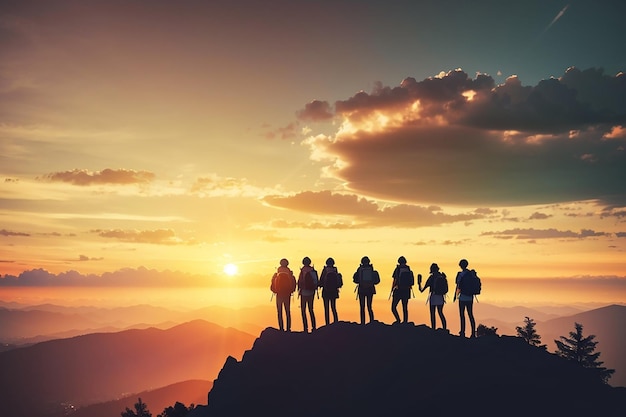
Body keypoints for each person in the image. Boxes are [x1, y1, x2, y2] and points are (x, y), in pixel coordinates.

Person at [418, 263, 448, 331]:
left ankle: (433, 329)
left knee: (432, 313)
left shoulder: (431, 277)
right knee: (440, 313)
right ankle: (444, 329)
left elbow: (422, 290)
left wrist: (419, 283)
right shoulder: (442, 276)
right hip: (441, 297)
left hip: (433, 296)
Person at [270, 258, 296, 332]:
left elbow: (272, 286)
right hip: (287, 294)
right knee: (287, 311)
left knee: (279, 311)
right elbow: (293, 285)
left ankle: (281, 328)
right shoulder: (290, 273)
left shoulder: (277, 274)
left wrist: (276, 290)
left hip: (279, 294)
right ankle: (288, 328)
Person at [353, 256, 380, 325]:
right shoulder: (371, 269)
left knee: (362, 307)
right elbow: (377, 281)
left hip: (361, 289)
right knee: (369, 306)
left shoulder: (360, 269)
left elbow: (355, 279)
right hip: (370, 290)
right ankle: (371, 321)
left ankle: (362, 323)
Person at [454, 259, 476, 338]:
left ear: (460, 265)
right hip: (470, 297)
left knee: (462, 315)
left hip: (462, 297)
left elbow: (457, 284)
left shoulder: (461, 274)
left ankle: (462, 332)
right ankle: (473, 333)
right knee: (470, 314)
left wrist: (456, 295)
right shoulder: (471, 274)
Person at [318, 257, 343, 325]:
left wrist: (319, 285)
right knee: (333, 307)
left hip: (325, 291)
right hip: (334, 291)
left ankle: (327, 324)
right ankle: (336, 322)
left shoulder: (325, 270)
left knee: (326, 309)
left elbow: (321, 280)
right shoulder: (335, 270)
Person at [390, 256, 414, 324]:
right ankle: (405, 321)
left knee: (393, 307)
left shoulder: (397, 269)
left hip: (399, 290)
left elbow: (395, 280)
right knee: (405, 307)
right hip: (407, 290)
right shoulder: (408, 269)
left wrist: (392, 289)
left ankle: (398, 320)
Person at [297, 256, 318, 333]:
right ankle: (314, 327)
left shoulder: (302, 271)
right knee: (311, 309)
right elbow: (316, 282)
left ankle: (305, 328)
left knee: (303, 310)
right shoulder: (313, 271)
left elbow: (299, 282)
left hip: (303, 293)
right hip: (311, 293)